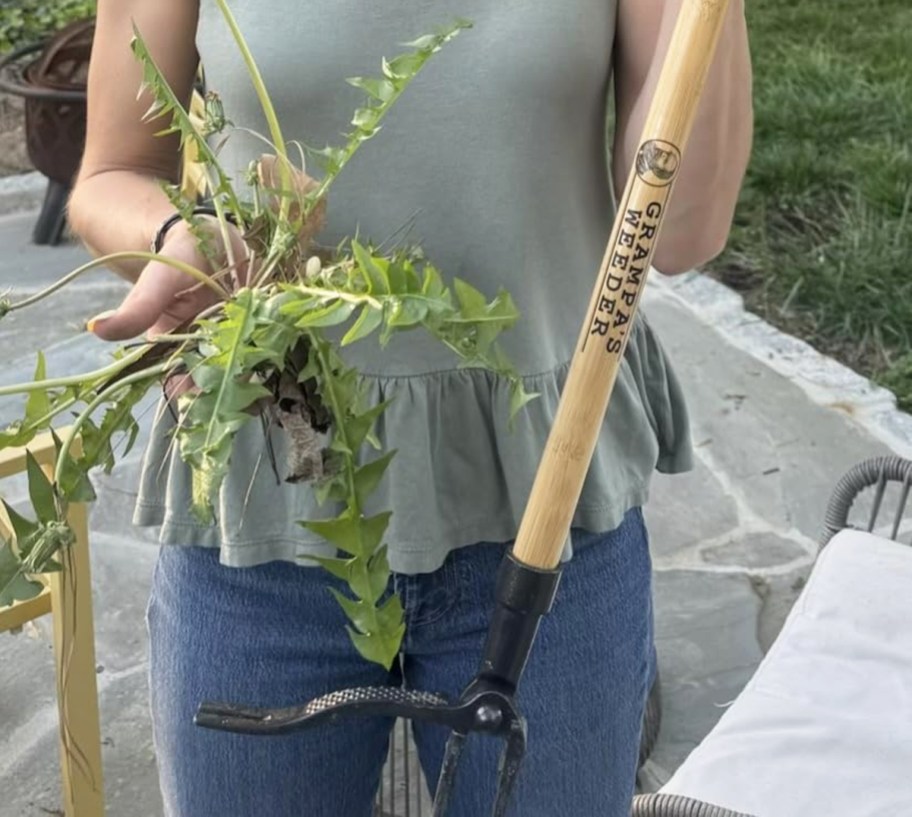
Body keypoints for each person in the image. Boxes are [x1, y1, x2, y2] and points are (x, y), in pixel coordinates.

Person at [68, 1, 752, 815]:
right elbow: (110, 174)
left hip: (547, 503)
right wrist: (178, 235)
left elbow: (681, 230)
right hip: (266, 505)